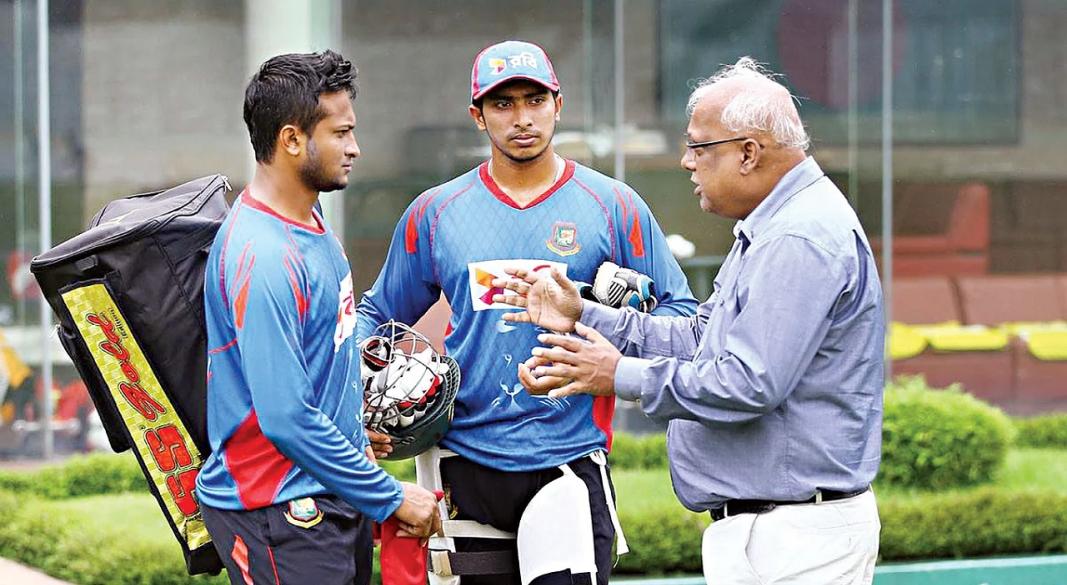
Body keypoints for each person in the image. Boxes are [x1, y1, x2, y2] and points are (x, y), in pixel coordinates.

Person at [496, 57, 885, 585]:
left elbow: (748, 383)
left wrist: (618, 375)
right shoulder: (773, 225)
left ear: (749, 153)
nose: (685, 162)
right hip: (773, 528)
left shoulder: (798, 236)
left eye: (699, 147)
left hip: (796, 534)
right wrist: (583, 314)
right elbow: (703, 339)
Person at [356, 40, 697, 585]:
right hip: (464, 461)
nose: (522, 118)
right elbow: (376, 314)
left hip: (569, 459)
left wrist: (595, 317)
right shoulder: (436, 212)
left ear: (557, 105)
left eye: (535, 99)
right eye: (503, 103)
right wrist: (360, 390)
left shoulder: (613, 205)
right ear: (478, 116)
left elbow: (683, 317)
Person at [195, 50, 441, 585]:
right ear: (291, 140)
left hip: (327, 493)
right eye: (341, 133)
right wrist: (390, 496)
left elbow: (319, 362)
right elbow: (285, 417)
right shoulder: (263, 259)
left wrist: (354, 434)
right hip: (276, 513)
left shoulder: (311, 216)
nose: (355, 148)